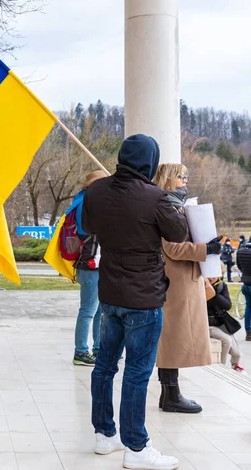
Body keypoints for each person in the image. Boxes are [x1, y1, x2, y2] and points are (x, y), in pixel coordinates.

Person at [82, 134, 187, 470]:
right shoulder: (156, 197)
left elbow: (86, 225)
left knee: (104, 366)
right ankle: (137, 448)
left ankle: (104, 435)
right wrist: (173, 203)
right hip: (143, 299)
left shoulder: (96, 190)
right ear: (150, 162)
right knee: (137, 373)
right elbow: (178, 234)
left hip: (110, 294)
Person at [153, 163, 222, 414]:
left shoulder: (176, 206)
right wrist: (206, 250)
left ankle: (169, 393)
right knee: (173, 338)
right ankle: (171, 395)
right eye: (181, 177)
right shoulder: (166, 207)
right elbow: (172, 248)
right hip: (176, 281)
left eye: (187, 177)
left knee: (174, 337)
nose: (185, 181)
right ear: (169, 179)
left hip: (184, 279)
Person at [71, 170, 107, 366]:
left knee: (100, 310)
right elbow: (85, 229)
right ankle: (81, 351)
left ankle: (98, 349)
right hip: (89, 264)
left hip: (97, 264)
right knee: (88, 310)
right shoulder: (84, 202)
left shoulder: (85, 200)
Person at [207, 276, 245, 372]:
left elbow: (227, 306)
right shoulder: (201, 286)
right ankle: (221, 368)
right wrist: (208, 291)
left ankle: (235, 366)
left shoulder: (221, 286)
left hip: (221, 323)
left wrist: (216, 294)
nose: (211, 278)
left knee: (237, 354)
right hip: (207, 324)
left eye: (213, 275)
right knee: (226, 340)